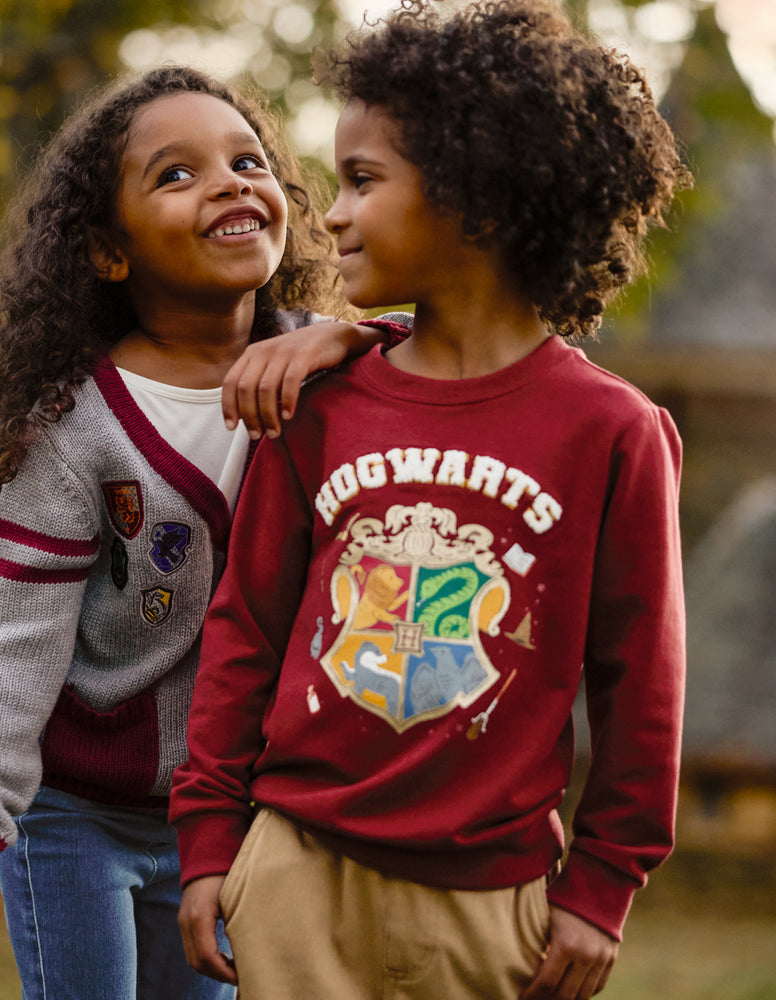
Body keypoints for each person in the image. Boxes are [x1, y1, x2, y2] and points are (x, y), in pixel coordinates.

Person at [171, 3, 691, 999]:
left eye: (363, 180)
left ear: (479, 200)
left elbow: (641, 687)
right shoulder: (314, 400)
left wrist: (601, 886)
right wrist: (208, 843)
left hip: (491, 909)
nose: (328, 212)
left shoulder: (613, 433)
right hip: (293, 873)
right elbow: (244, 631)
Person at [0, 65, 401, 1000]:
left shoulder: (333, 377)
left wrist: (352, 336)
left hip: (223, 818)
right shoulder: (75, 430)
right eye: (176, 174)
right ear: (108, 252)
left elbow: (471, 343)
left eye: (249, 161)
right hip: (74, 816)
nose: (230, 182)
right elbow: (14, 647)